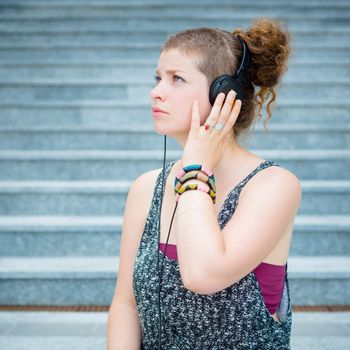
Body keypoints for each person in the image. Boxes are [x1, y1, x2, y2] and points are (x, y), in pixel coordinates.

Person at [107, 17, 302, 349]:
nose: (156, 92)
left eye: (177, 79)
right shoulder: (146, 188)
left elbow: (203, 274)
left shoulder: (274, 185)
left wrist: (197, 168)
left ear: (224, 94)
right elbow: (126, 305)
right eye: (158, 78)